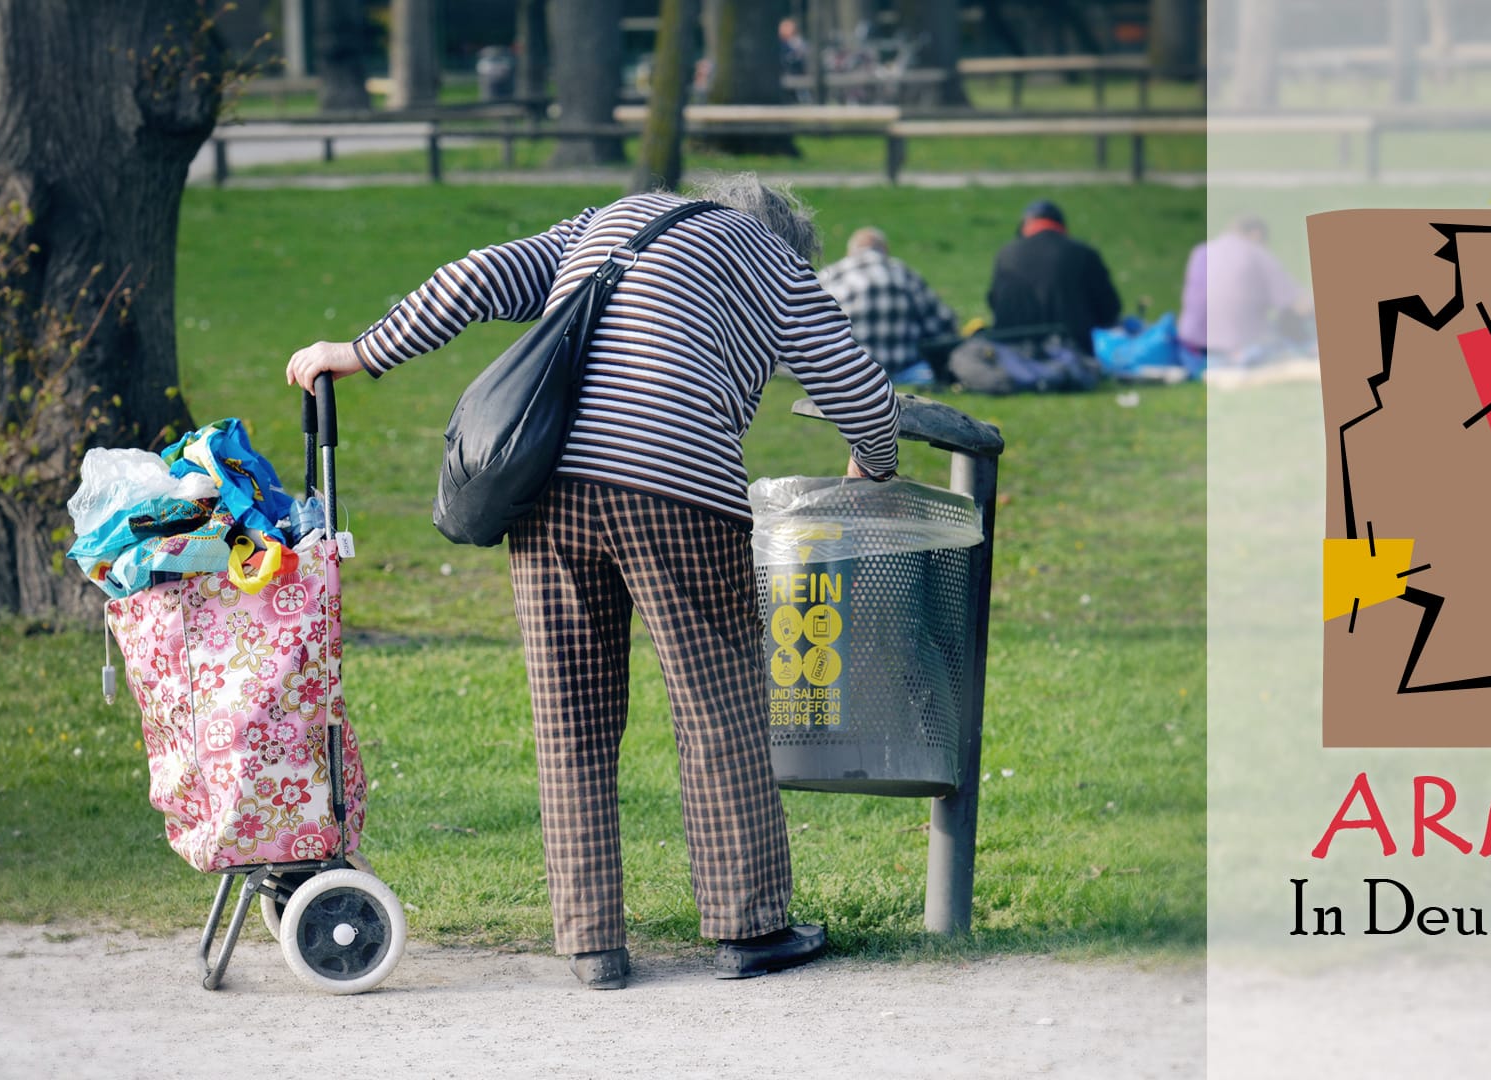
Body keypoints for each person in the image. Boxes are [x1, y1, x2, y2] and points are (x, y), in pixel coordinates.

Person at [283, 176, 901, 990]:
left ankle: (593, 947)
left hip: (547, 494)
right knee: (718, 710)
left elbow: (477, 275)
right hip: (678, 493)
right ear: (788, 237)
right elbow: (860, 390)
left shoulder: (608, 221)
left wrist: (359, 353)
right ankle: (750, 931)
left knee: (570, 717)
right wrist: (871, 466)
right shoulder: (776, 263)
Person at [818, 227, 958, 385]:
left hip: (849, 372)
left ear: (850, 252)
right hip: (903, 371)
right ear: (885, 249)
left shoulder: (832, 274)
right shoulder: (904, 272)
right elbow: (940, 324)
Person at [985, 199, 1121, 356]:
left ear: (1024, 225)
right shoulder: (1083, 253)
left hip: (1012, 350)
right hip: (1073, 348)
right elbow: (1110, 310)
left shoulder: (1006, 254)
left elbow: (994, 302)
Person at [1177, 214, 1313, 370]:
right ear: (1256, 234)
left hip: (1191, 345)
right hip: (1237, 346)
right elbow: (1300, 305)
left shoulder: (1200, 252)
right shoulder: (1256, 253)